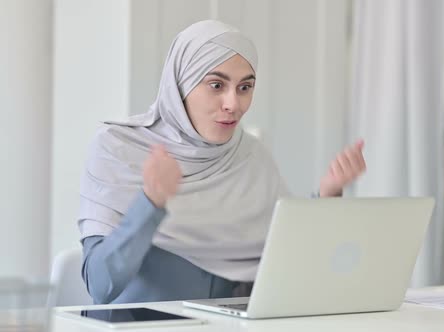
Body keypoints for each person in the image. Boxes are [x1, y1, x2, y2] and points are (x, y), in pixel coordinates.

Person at [78, 20, 366, 304]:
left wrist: (328, 195)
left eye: (245, 87)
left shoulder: (250, 156)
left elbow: (288, 254)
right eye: (216, 85)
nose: (233, 104)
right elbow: (100, 285)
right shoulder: (118, 148)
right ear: (181, 85)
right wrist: (150, 203)